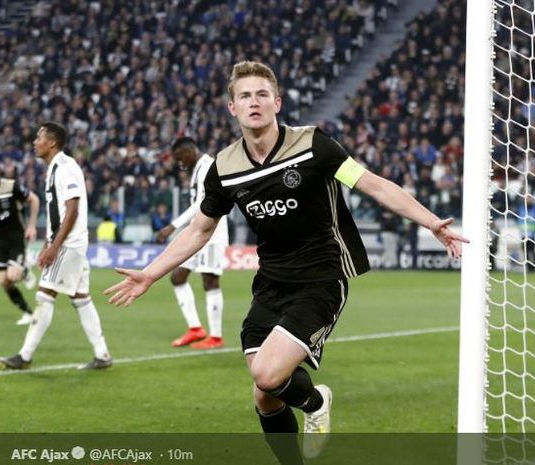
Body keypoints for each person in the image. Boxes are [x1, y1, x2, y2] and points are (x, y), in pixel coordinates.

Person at [105, 61, 468, 464]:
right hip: (270, 282)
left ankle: (315, 402)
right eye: (245, 96)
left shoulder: (315, 145)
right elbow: (199, 229)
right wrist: (151, 274)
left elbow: (373, 184)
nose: (254, 102)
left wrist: (432, 222)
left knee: (267, 375)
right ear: (232, 108)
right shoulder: (224, 168)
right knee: (264, 394)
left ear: (277, 102)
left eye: (262, 94)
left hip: (321, 278)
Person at [0, 121, 113, 370]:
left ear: (52, 142)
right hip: (68, 243)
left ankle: (25, 356)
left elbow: (72, 210)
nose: (34, 142)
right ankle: (102, 355)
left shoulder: (66, 167)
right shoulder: (54, 169)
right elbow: (58, 213)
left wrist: (55, 246)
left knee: (44, 295)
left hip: (69, 244)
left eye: (39, 137)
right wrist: (48, 242)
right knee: (81, 297)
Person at [155, 137, 229, 350]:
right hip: (197, 231)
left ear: (190, 150)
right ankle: (196, 329)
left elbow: (202, 203)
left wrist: (173, 225)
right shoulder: (197, 168)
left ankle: (216, 337)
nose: (181, 164)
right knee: (177, 277)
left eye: (181, 158)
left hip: (213, 232)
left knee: (210, 281)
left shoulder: (207, 167)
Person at [0, 158, 39, 325]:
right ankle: (28, 313)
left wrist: (31, 226)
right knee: (3, 280)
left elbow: (34, 200)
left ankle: (24, 270)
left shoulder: (11, 186)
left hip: (17, 235)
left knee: (12, 274)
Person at [517, 191, 535, 272]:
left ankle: (534, 267)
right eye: (526, 198)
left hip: (532, 234)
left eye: (529, 198)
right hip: (523, 234)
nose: (528, 200)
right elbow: (517, 218)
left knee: (532, 251)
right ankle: (528, 267)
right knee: (525, 251)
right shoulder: (520, 208)